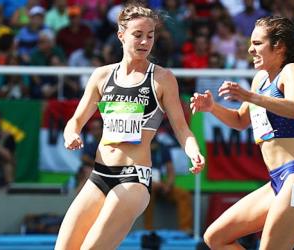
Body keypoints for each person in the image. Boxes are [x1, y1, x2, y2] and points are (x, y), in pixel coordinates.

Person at [55, 3, 205, 250]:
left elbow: (182, 128)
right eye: (138, 35)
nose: (145, 41)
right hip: (99, 176)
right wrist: (71, 133)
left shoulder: (163, 79)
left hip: (134, 178)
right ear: (121, 35)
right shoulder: (102, 75)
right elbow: (76, 120)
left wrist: (193, 151)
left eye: (150, 35)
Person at [191, 16, 294, 249]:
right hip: (276, 182)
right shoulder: (260, 79)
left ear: (279, 46)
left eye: (257, 43)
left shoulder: (292, 71)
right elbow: (241, 121)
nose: (250, 49)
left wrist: (250, 97)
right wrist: (212, 108)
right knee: (215, 238)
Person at [143, 138, 193, 233]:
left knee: (183, 194)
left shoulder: (162, 147)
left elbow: (170, 170)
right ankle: (148, 229)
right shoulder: (139, 147)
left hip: (161, 185)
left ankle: (185, 229)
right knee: (148, 193)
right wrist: (151, 183)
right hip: (145, 185)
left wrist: (168, 185)